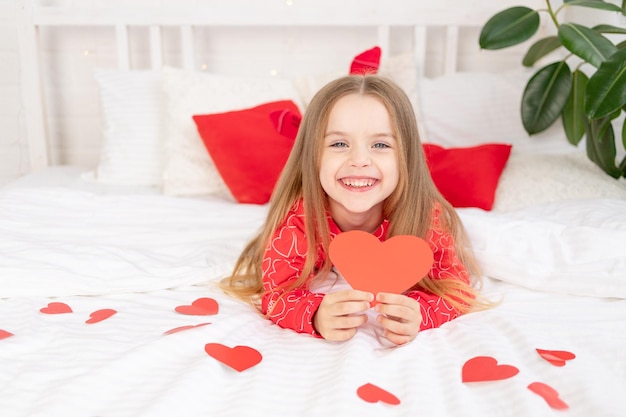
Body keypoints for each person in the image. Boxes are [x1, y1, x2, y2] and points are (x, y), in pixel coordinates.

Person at [221, 74, 485, 346]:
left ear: (405, 157)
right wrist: (315, 315)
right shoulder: (299, 220)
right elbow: (277, 294)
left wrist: (421, 313)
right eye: (339, 144)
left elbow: (457, 289)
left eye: (380, 144)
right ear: (313, 155)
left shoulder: (425, 216)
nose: (359, 160)